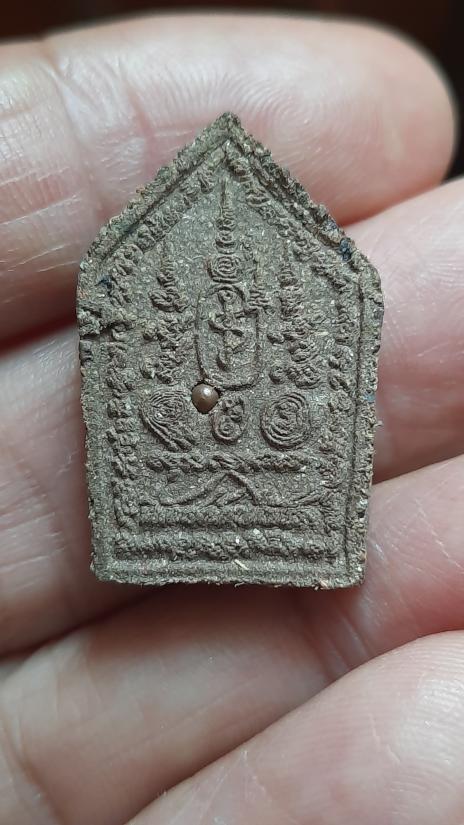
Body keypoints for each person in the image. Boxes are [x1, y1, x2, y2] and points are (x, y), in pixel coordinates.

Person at [0, 12, 462, 824]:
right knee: (175, 413)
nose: (228, 327)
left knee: (285, 420)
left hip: (273, 457)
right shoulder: (171, 326)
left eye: (240, 314)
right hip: (176, 471)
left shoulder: (284, 340)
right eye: (217, 313)